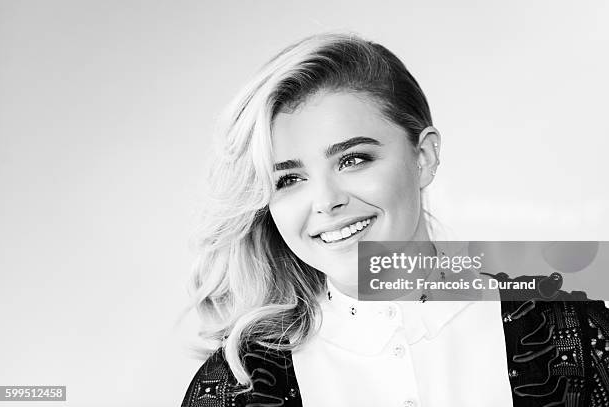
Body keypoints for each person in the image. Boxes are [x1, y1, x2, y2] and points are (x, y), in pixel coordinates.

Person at [182, 33, 609, 407]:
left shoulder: (571, 326)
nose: (326, 201)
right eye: (290, 179)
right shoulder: (236, 387)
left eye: (353, 159)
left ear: (423, 158)